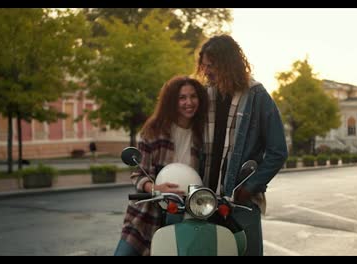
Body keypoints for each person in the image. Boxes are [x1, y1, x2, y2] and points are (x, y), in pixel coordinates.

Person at [196, 34, 288, 256]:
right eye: (204, 65)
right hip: (203, 202)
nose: (206, 71)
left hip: (239, 202)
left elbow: (278, 151)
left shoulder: (257, 96)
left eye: (212, 65)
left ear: (228, 64)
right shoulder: (204, 96)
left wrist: (249, 188)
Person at [114, 76, 209, 256]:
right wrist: (156, 189)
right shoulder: (154, 131)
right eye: (182, 97)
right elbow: (138, 175)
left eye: (193, 96)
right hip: (148, 213)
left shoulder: (203, 134)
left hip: (187, 214)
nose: (189, 102)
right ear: (171, 101)